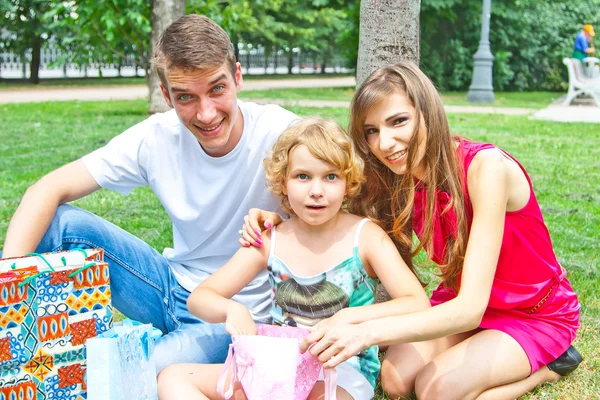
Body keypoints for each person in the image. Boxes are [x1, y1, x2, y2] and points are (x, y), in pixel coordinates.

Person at [243, 62, 582, 400]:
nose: (385, 143)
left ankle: (548, 368)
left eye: (398, 121)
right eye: (371, 131)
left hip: (530, 312)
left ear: (427, 112)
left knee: (437, 391)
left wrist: (365, 332)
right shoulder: (395, 177)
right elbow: (330, 212)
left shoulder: (487, 168)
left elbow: (471, 308)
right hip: (457, 303)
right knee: (395, 381)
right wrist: (277, 219)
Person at [0, 14, 298, 372]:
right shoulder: (155, 137)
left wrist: (282, 220)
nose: (205, 113)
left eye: (217, 89)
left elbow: (339, 196)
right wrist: (6, 292)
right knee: (61, 223)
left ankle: (157, 353)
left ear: (237, 76)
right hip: (166, 287)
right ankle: (26, 344)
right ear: (166, 96)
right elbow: (46, 188)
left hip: (232, 312)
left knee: (136, 372)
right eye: (186, 96)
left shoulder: (283, 134)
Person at [156, 117, 430, 400]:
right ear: (282, 183)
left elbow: (416, 302)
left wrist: (351, 318)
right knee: (173, 378)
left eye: (331, 176)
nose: (316, 190)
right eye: (302, 176)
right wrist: (232, 310)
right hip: (278, 367)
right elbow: (200, 297)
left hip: (340, 370)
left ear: (348, 183)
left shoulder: (366, 237)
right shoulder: (271, 239)